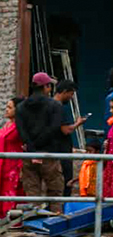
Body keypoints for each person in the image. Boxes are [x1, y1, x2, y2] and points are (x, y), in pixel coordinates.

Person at [15, 73, 65, 212]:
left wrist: (32, 148)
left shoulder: (21, 107)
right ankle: (55, 223)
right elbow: (54, 128)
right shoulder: (55, 106)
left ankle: (34, 225)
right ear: (46, 87)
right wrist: (40, 145)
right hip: (49, 154)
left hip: (29, 156)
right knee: (55, 193)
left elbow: (21, 131)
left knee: (32, 194)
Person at [53, 80, 87, 197]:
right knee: (65, 182)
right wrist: (78, 123)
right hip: (62, 152)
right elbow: (66, 130)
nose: (71, 97)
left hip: (55, 149)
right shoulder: (59, 108)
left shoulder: (49, 106)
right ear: (64, 92)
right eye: (71, 94)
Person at [0, 97, 25, 216]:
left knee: (11, 195)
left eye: (10, 107)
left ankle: (12, 222)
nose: (6, 110)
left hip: (14, 167)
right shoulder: (7, 124)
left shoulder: (20, 127)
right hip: (3, 165)